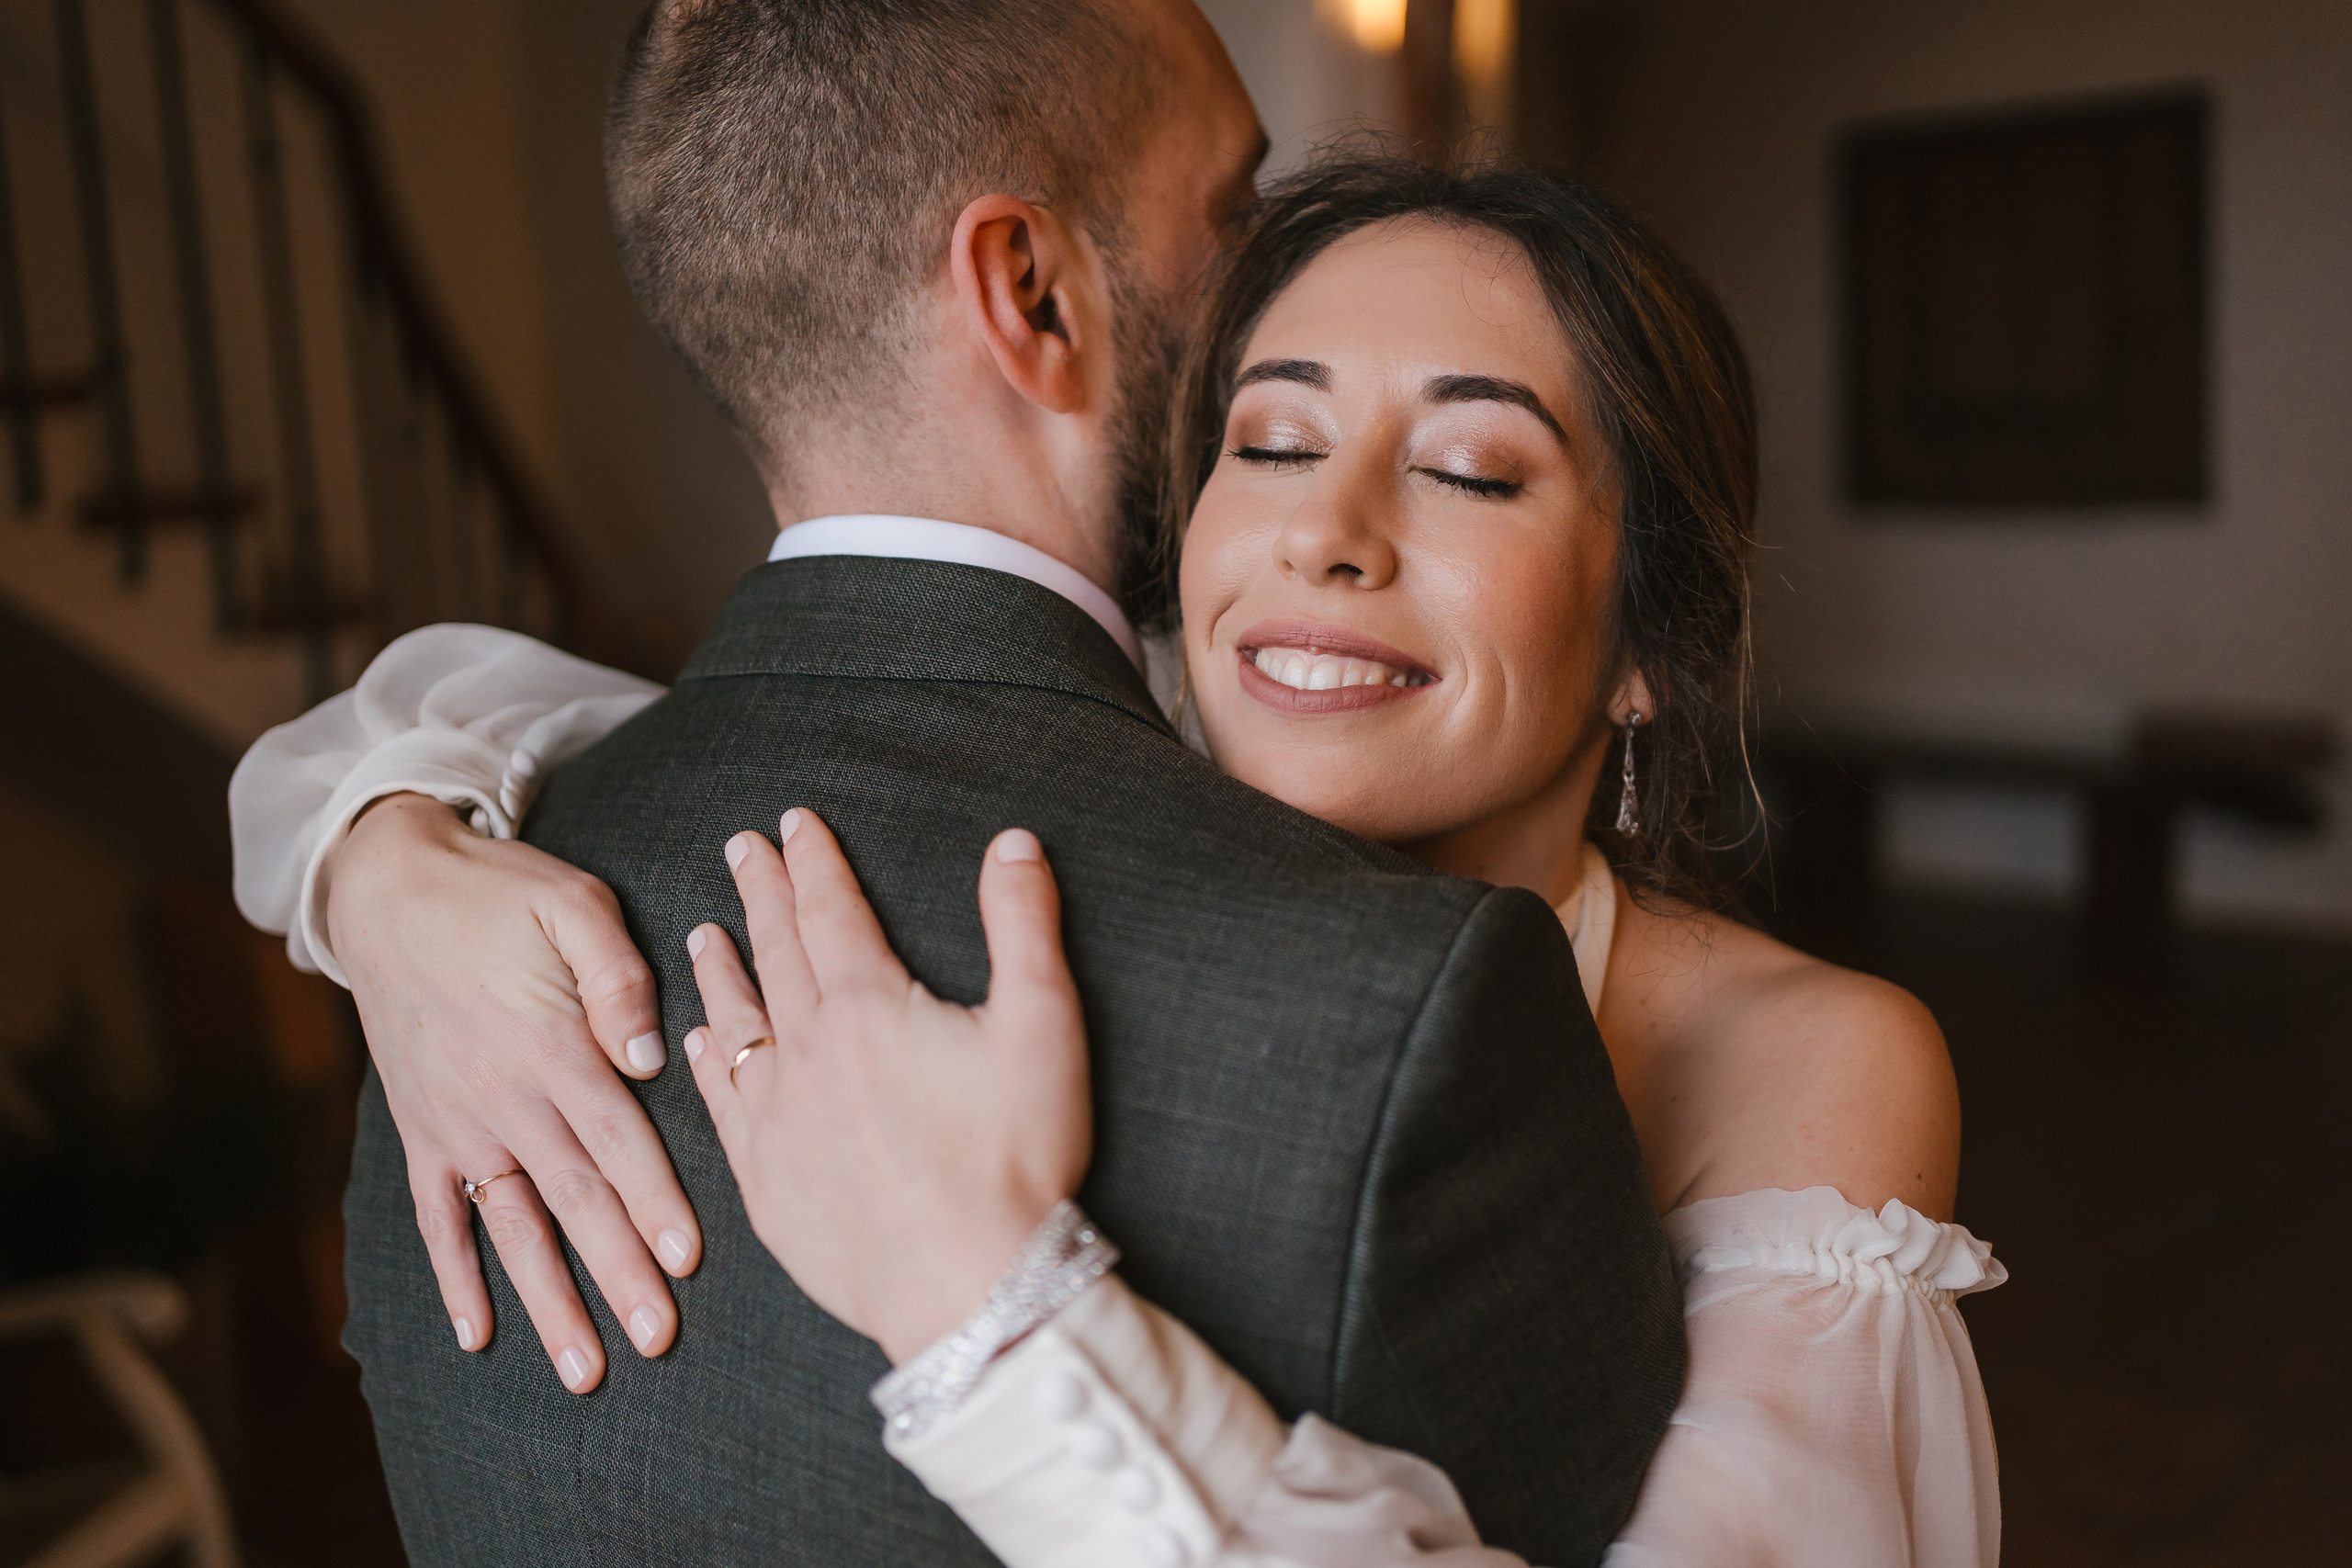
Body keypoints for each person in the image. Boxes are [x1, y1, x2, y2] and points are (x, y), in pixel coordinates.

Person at [237, 150, 2007, 1563]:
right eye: (1275, 440)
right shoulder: (1071, 838)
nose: (1328, 532)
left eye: (1470, 470)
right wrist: (376, 860)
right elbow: (544, 711)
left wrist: (986, 1310)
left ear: (1650, 641)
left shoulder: (1812, 1062)